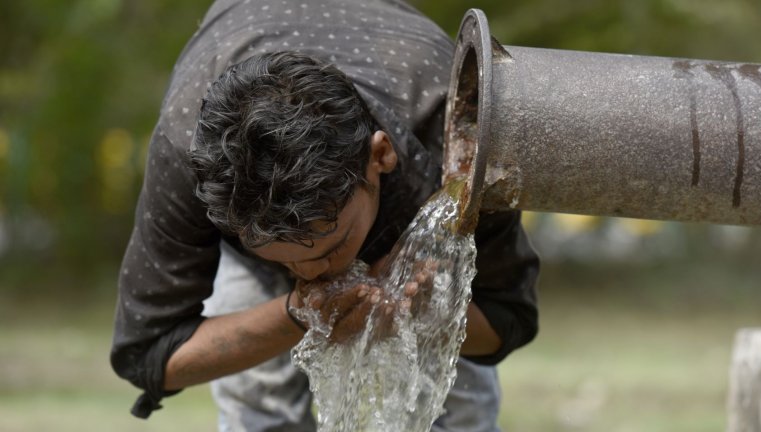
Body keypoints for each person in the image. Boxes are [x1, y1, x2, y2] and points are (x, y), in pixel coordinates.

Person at [111, 0, 540, 431]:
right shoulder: (186, 151)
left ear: (381, 155)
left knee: (463, 411)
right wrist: (298, 313)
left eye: (331, 246)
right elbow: (148, 355)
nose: (310, 272)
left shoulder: (460, 124)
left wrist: (426, 311)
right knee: (259, 405)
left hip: (417, 158)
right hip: (236, 41)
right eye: (285, 257)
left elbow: (509, 318)